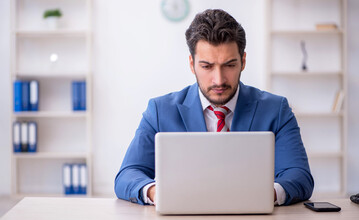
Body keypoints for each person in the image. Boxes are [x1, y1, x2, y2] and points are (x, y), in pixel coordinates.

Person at [114, 9, 314, 206]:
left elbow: (299, 176)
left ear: (243, 61)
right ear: (192, 64)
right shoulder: (159, 111)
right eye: (207, 66)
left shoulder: (276, 110)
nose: (218, 80)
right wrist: (157, 193)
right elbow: (127, 175)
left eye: (229, 65)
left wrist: (262, 195)